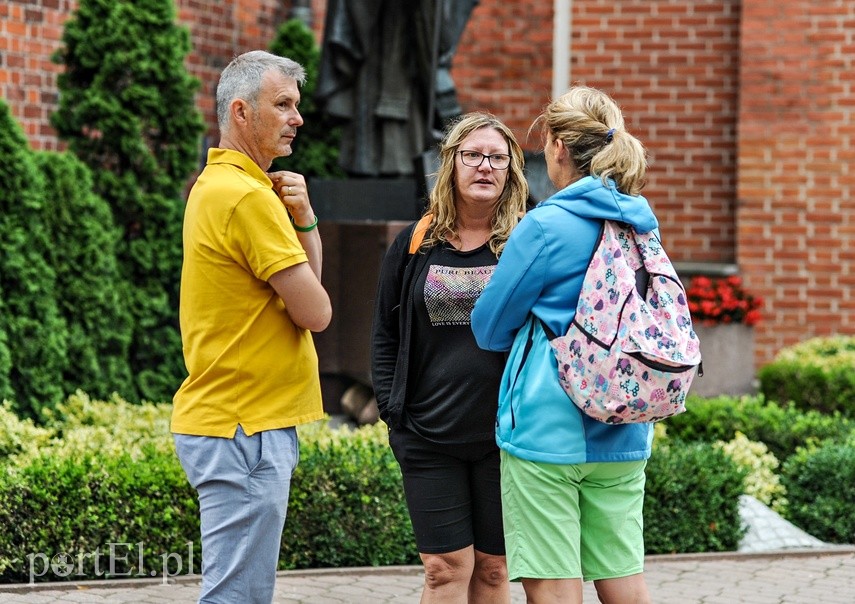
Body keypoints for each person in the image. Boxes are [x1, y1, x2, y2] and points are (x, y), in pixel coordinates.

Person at [470, 86, 656, 604]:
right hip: (624, 427)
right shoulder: (640, 221)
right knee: (625, 583)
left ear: (555, 147)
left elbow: (488, 327)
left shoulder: (547, 225)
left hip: (547, 432)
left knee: (553, 588)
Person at [171, 50, 331, 604]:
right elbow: (316, 312)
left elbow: (303, 301)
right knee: (236, 596)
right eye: (283, 103)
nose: (298, 117)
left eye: (298, 104)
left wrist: (305, 220)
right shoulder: (245, 197)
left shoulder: (217, 185)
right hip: (245, 429)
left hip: (234, 422)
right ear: (241, 111)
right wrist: (306, 226)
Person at [370, 112, 529, 603]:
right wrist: (392, 412)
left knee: (495, 570)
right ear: (452, 164)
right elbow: (384, 334)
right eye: (473, 156)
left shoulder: (528, 241)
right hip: (427, 433)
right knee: (444, 569)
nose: (485, 167)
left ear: (512, 170)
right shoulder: (416, 243)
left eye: (498, 158)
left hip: (505, 435)